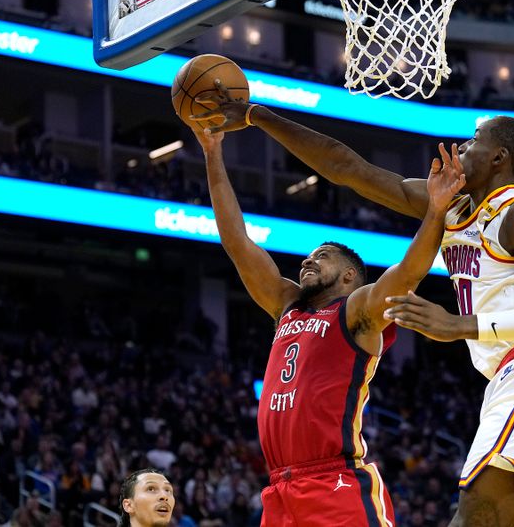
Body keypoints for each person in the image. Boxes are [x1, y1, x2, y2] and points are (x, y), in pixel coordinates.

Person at [192, 88, 514, 527]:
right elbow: (347, 168)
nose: (462, 146)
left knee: (473, 517)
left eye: (475, 140)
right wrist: (258, 116)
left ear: (499, 157)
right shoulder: (451, 208)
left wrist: (460, 325)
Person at [191, 119, 464, 526]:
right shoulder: (287, 305)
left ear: (350, 275)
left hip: (335, 482)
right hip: (279, 488)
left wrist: (437, 211)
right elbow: (236, 242)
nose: (307, 261)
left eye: (321, 257)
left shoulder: (357, 311)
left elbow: (407, 273)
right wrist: (213, 153)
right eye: (308, 257)